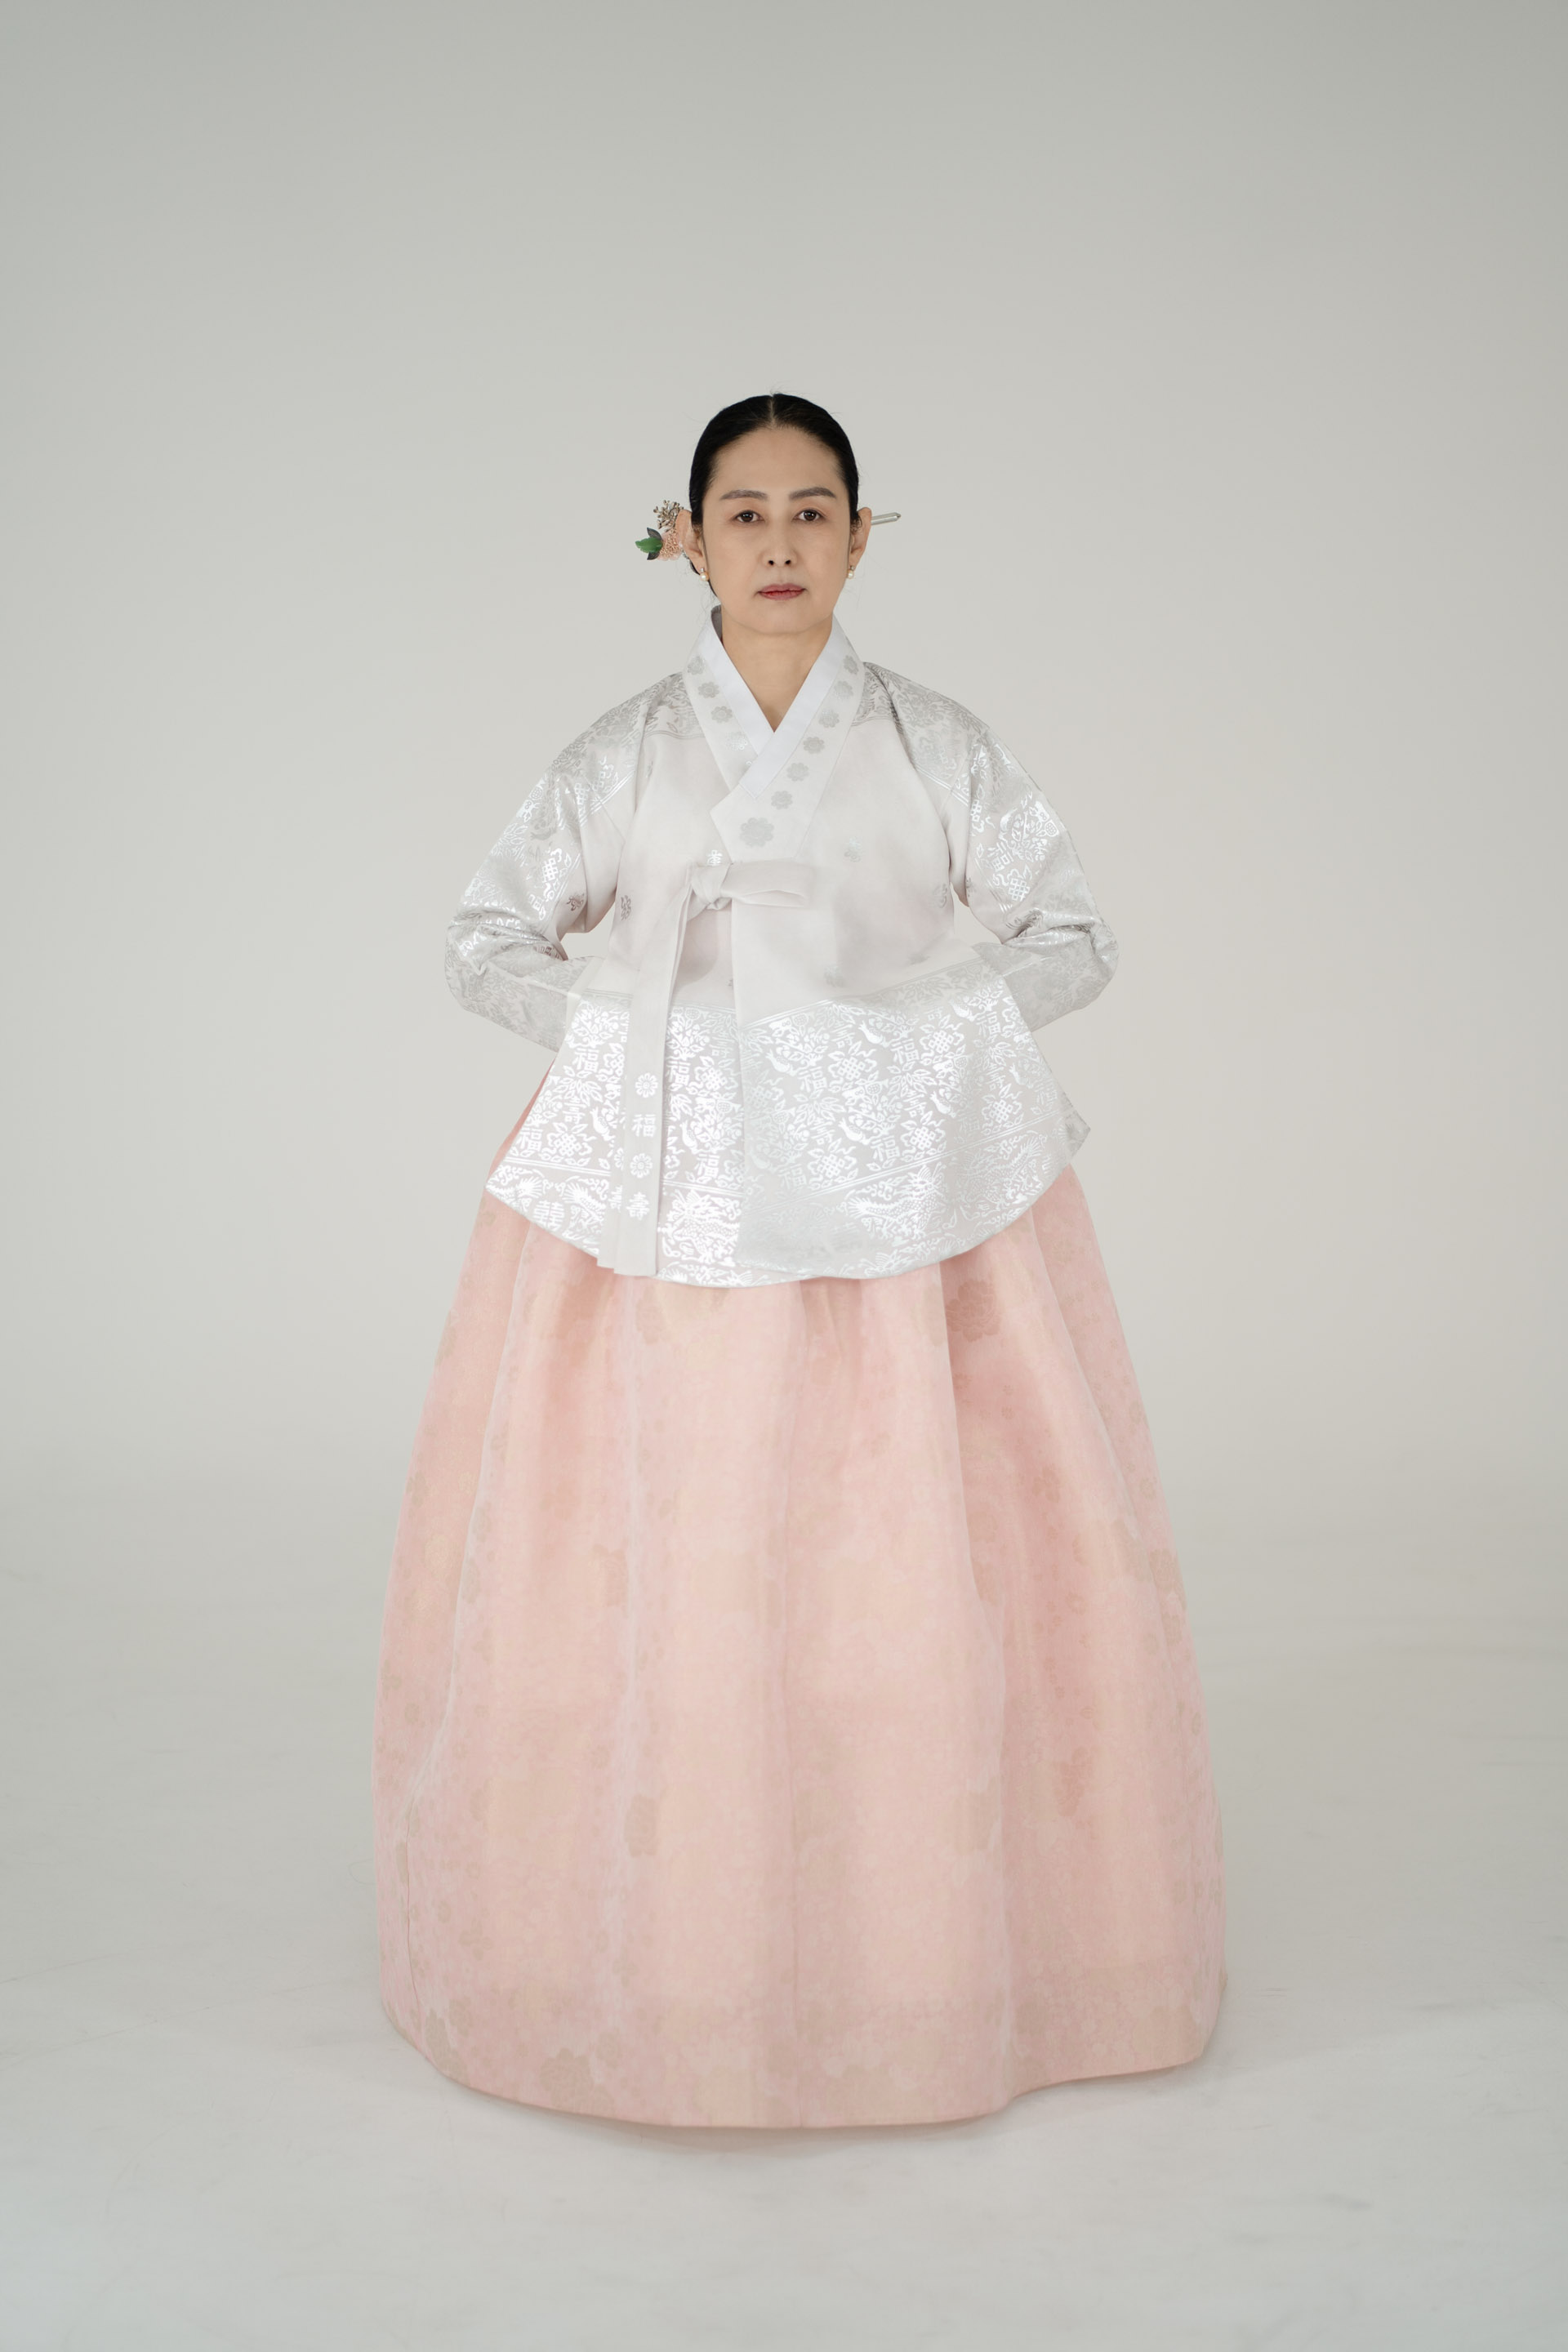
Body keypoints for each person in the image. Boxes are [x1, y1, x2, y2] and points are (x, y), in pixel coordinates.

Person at [372, 392, 1225, 2128]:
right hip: (665, 1215)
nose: (778, 544)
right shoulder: (624, 751)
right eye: (744, 513)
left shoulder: (933, 744)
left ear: (860, 535)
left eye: (813, 510)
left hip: (910, 1214)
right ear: (684, 539)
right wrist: (629, 1036)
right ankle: (638, 1953)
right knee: (669, 1555)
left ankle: (933, 1955)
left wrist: (920, 1042)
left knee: (910, 1555)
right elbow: (485, 938)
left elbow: (1071, 934)